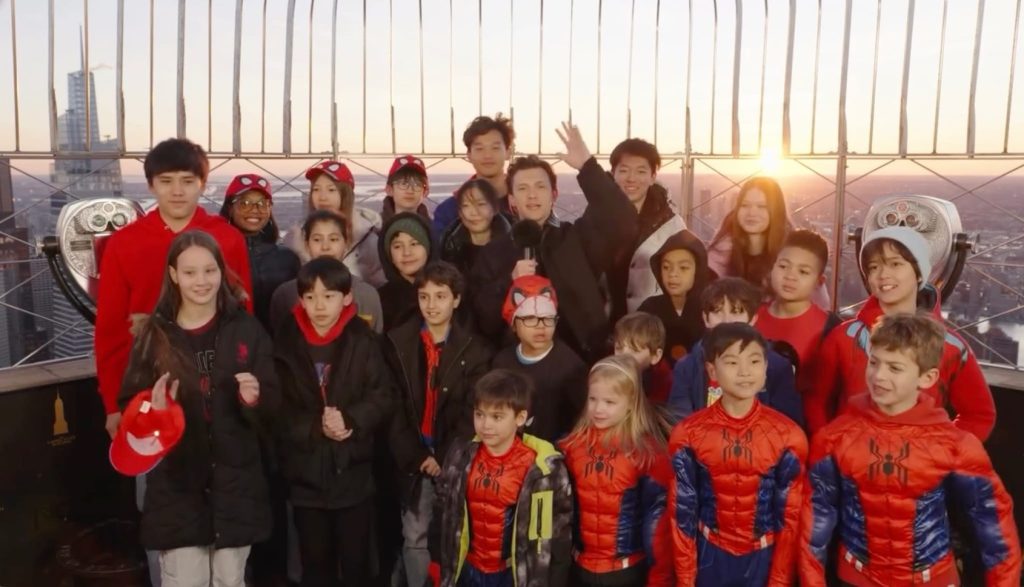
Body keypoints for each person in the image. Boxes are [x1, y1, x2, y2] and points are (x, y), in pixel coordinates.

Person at [799, 314, 1020, 586]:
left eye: (895, 368)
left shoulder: (955, 445)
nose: (879, 375)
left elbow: (995, 529)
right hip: (855, 577)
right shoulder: (835, 438)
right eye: (874, 362)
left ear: (927, 377)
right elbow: (815, 522)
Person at [111, 230, 278, 587]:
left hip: (236, 484)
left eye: (209, 270)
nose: (201, 281)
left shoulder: (246, 328)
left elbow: (274, 403)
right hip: (177, 487)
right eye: (189, 272)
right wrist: (152, 411)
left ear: (221, 271)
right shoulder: (154, 335)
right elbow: (130, 405)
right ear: (173, 275)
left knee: (230, 579)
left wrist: (253, 399)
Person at [96, 138, 253, 440]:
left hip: (218, 382)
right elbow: (111, 330)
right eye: (166, 181)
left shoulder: (227, 238)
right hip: (148, 381)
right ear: (151, 185)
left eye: (187, 181)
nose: (177, 191)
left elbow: (244, 317)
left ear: (203, 184)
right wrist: (114, 404)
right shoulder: (124, 243)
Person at [804, 227, 996, 441]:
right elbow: (816, 401)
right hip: (847, 459)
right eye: (873, 267)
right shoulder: (843, 338)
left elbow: (979, 414)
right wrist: (829, 445)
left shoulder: (950, 346)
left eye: (895, 264)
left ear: (919, 272)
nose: (883, 275)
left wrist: (944, 451)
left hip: (920, 461)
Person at [472, 123, 639, 362]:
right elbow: (483, 321)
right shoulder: (494, 252)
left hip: (580, 362)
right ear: (512, 200)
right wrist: (509, 282)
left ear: (554, 195)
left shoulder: (577, 239)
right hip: (518, 369)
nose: (532, 195)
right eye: (522, 188)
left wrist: (587, 166)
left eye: (540, 186)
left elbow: (624, 220)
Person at [273, 256, 394, 587]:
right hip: (306, 478)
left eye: (329, 296)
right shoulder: (285, 343)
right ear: (300, 300)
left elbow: (383, 396)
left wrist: (350, 420)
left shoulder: (363, 340)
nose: (319, 306)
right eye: (310, 297)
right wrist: (317, 426)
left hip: (353, 474)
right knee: (315, 567)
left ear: (347, 297)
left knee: (356, 565)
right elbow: (277, 410)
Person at [668, 323, 807, 586]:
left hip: (763, 556)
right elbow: (682, 514)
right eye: (732, 362)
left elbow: (790, 518)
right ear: (712, 371)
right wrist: (686, 580)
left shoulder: (788, 436)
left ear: (766, 368)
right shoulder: (688, 434)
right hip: (709, 553)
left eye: (754, 361)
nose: (744, 372)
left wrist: (779, 580)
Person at [383, 261, 492, 587]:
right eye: (424, 296)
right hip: (412, 460)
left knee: (455, 535)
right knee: (414, 535)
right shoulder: (397, 343)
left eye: (440, 296)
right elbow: (391, 405)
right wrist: (417, 456)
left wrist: (444, 455)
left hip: (455, 458)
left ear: (456, 300)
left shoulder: (476, 349)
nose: (431, 305)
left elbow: (473, 409)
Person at [429, 369, 574, 587]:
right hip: (466, 570)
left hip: (511, 575)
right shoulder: (460, 456)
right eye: (480, 414)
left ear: (520, 418)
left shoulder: (543, 470)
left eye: (497, 417)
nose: (486, 425)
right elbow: (442, 509)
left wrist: (555, 579)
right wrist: (436, 562)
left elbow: (558, 531)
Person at [559, 355, 674, 586]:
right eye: (593, 399)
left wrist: (660, 578)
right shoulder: (570, 447)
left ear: (631, 403)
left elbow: (659, 524)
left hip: (626, 572)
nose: (598, 409)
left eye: (610, 402)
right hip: (578, 568)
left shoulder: (648, 454)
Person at [668, 277, 803, 427]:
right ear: (705, 319)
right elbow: (679, 423)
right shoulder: (687, 366)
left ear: (753, 319)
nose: (727, 321)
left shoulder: (777, 366)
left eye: (736, 312)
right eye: (717, 312)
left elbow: (788, 426)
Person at [586, 137, 689, 321]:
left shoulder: (671, 225)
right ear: (613, 173)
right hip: (604, 323)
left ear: (653, 177)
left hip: (651, 325)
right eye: (624, 170)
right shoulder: (594, 218)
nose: (631, 178)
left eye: (641, 171)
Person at [491, 275, 588, 443]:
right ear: (513, 325)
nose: (540, 326)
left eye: (548, 318)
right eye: (530, 318)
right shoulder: (502, 361)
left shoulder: (571, 367)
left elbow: (580, 423)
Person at [706, 177, 830, 307]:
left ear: (776, 211)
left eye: (762, 206)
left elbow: (820, 306)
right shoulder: (718, 255)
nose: (752, 212)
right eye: (745, 205)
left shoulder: (795, 253)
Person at [269, 209, 383, 334]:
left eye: (333, 239)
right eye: (317, 240)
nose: (325, 247)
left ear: (346, 243)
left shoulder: (366, 294)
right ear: (307, 244)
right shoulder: (286, 294)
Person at [754, 229, 840, 393]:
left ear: (819, 281)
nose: (790, 276)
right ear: (772, 267)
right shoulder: (749, 317)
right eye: (783, 266)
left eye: (803, 272)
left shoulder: (832, 330)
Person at [219, 173, 300, 333]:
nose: (255, 210)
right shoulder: (216, 256)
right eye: (245, 203)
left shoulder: (287, 259)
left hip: (278, 343)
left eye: (263, 204)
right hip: (230, 341)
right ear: (230, 208)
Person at [290, 160, 386, 287]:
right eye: (316, 189)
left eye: (331, 190)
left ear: (345, 194)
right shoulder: (296, 238)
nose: (322, 197)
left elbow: (379, 286)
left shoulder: (368, 238)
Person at [432, 114, 516, 234]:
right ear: (469, 155)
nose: (487, 155)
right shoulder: (450, 211)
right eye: (479, 149)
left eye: (495, 148)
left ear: (508, 152)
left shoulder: (525, 203)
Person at [637, 229, 712, 364]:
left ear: (698, 270)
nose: (672, 274)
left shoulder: (712, 309)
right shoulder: (649, 308)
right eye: (666, 267)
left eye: (683, 268)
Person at [377, 211, 437, 331]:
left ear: (428, 248)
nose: (407, 253)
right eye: (398, 246)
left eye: (414, 244)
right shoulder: (380, 300)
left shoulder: (448, 290)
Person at [440, 178, 512, 278]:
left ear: (495, 208)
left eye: (481, 204)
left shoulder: (513, 243)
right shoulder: (449, 246)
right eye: (466, 206)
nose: (474, 212)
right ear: (460, 212)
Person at [612, 311, 674, 406]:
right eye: (619, 348)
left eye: (634, 351)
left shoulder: (664, 381)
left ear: (655, 356)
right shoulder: (607, 373)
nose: (623, 357)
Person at [382, 155, 432, 223]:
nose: (410, 191)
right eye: (403, 184)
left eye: (417, 185)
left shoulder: (434, 228)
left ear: (425, 192)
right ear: (389, 190)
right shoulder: (377, 227)